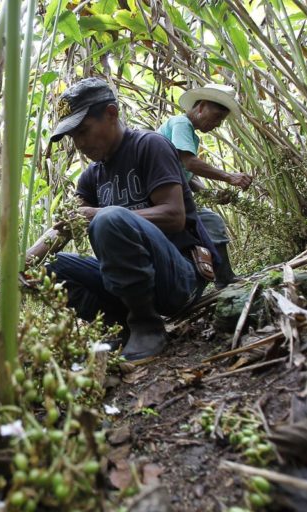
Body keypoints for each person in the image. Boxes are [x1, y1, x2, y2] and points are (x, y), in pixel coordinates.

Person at [28, 77, 215, 361]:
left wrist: (102, 213)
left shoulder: (150, 146)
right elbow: (67, 224)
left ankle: (146, 325)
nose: (79, 144)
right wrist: (22, 264)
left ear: (111, 113)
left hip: (178, 277)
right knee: (50, 268)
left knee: (110, 219)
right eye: (73, 137)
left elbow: (174, 216)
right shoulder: (91, 177)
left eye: (84, 131)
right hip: (133, 285)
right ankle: (121, 326)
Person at [158, 83, 253, 289]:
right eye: (217, 116)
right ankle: (225, 279)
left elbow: (185, 176)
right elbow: (189, 163)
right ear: (200, 107)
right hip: (162, 196)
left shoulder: (183, 130)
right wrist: (229, 177)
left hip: (165, 194)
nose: (218, 124)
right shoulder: (182, 124)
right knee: (212, 222)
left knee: (196, 231)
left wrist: (210, 194)